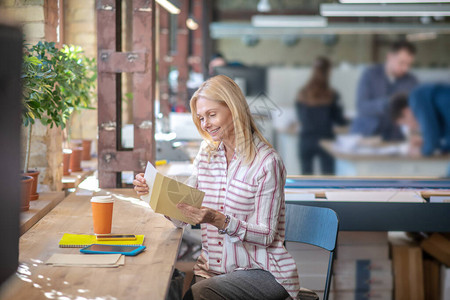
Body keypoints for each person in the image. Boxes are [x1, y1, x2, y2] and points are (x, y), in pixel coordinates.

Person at [134, 75, 300, 300]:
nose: (205, 124)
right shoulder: (207, 154)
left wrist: (217, 219)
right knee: (167, 288)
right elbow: (183, 216)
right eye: (201, 118)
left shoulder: (266, 162)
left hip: (261, 270)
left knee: (199, 294)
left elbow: (267, 235)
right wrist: (154, 195)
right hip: (212, 269)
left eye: (212, 115)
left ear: (234, 109)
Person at [351, 40, 418, 141]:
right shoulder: (370, 75)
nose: (405, 68)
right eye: (402, 63)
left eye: (409, 64)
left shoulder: (411, 81)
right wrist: (388, 103)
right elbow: (362, 106)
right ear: (389, 56)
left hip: (396, 138)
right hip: (366, 135)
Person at [295, 57, 347, 175]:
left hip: (306, 140)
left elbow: (300, 117)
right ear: (329, 71)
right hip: (326, 141)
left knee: (306, 180)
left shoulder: (302, 93)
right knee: (328, 180)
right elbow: (339, 120)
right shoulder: (332, 94)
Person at [390, 83, 450, 157]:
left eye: (405, 123)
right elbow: (446, 143)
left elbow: (431, 140)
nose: (410, 127)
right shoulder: (436, 114)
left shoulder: (416, 98)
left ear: (406, 111)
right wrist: (425, 142)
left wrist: (421, 151)